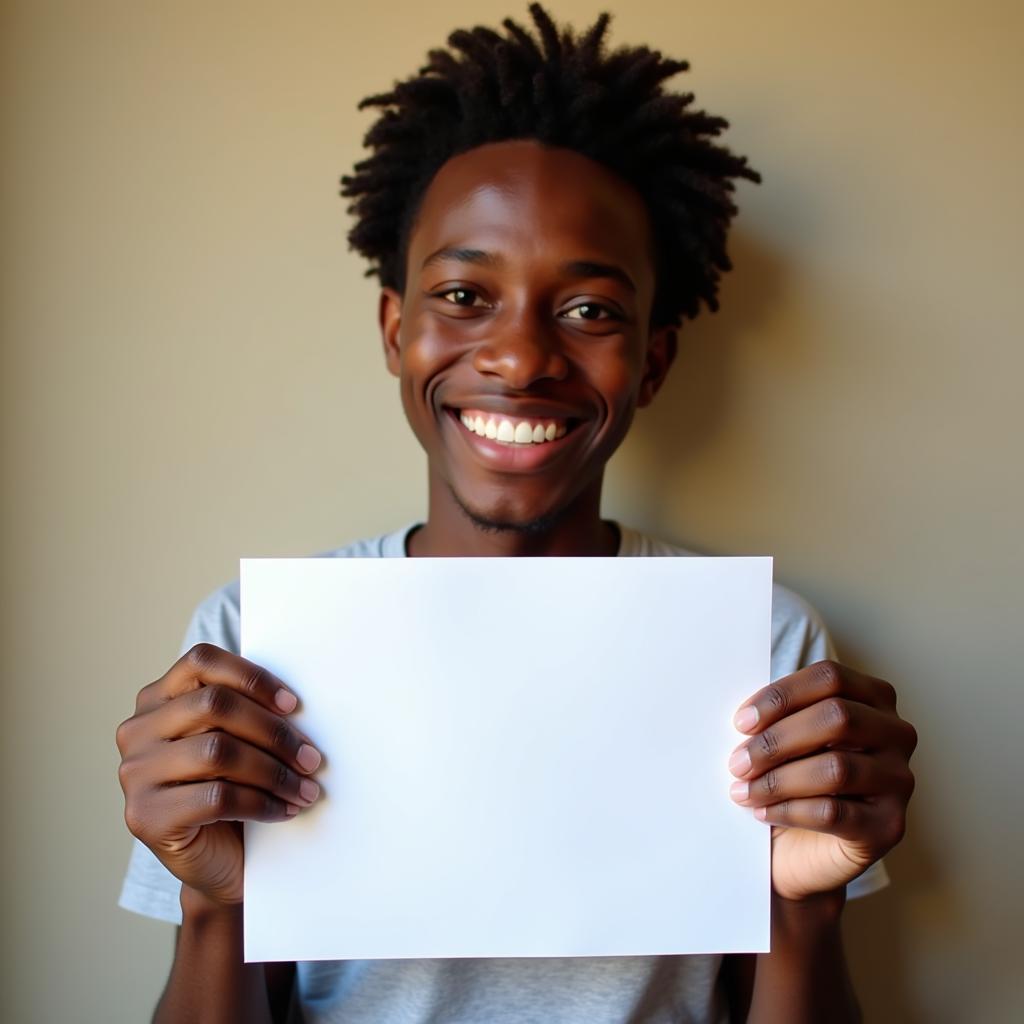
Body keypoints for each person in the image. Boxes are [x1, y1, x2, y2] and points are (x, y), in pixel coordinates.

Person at [116, 6, 917, 1021]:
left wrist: (806, 907)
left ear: (654, 361)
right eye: (463, 295)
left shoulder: (762, 642)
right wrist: (213, 903)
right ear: (395, 330)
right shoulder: (253, 643)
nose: (523, 356)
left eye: (588, 310)